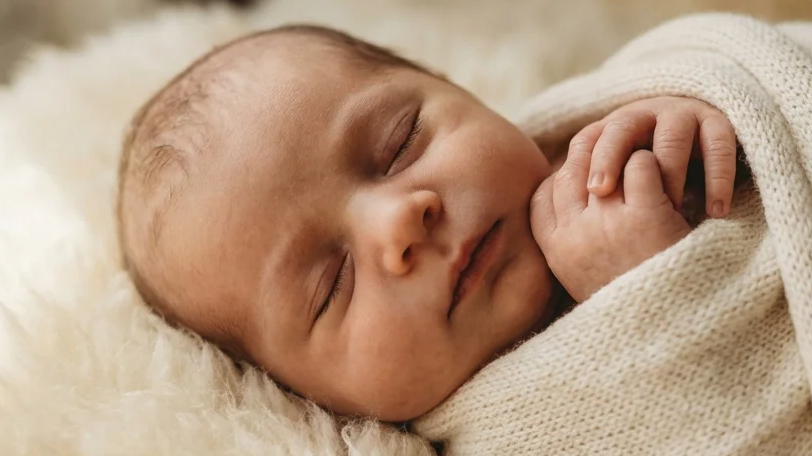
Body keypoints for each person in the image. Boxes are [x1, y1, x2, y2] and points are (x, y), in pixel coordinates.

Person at [114, 24, 745, 422]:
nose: (401, 221)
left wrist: (699, 94)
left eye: (399, 144)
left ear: (455, 88)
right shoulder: (518, 438)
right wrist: (650, 295)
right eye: (332, 284)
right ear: (303, 396)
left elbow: (745, 57)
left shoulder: (595, 134)